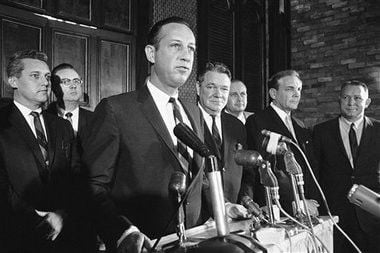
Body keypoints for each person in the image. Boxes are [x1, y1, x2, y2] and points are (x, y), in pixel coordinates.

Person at [81, 17, 208, 252]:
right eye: (175, 46)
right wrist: (122, 231)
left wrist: (223, 206)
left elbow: (197, 177)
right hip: (143, 245)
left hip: (193, 242)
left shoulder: (194, 111)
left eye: (191, 48)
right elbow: (93, 186)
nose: (186, 55)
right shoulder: (116, 109)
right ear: (151, 53)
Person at [0, 50, 85, 252]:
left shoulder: (62, 126)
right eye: (35, 76)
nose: (45, 82)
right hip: (15, 234)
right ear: (13, 81)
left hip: (64, 234)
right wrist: (36, 217)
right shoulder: (2, 122)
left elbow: (76, 176)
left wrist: (62, 215)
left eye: (47, 77)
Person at [313, 80, 380, 253]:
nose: (351, 103)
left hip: (371, 216)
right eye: (346, 97)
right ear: (339, 100)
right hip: (335, 215)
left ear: (367, 102)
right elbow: (314, 172)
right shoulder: (321, 131)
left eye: (357, 98)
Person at [241, 70, 319, 216]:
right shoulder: (258, 121)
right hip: (277, 207)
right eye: (290, 89)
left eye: (299, 89)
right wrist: (297, 201)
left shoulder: (300, 125)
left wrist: (310, 199)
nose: (296, 94)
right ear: (273, 93)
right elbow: (269, 168)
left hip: (306, 208)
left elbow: (308, 166)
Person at [196, 62, 249, 219]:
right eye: (211, 87)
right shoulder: (187, 121)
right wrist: (222, 205)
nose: (218, 94)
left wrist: (246, 201)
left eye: (224, 88)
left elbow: (247, 172)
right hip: (200, 217)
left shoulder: (237, 126)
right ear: (198, 89)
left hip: (235, 215)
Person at [47, 63, 94, 154]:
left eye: (76, 81)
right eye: (66, 81)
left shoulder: (94, 120)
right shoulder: (44, 118)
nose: (73, 86)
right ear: (54, 87)